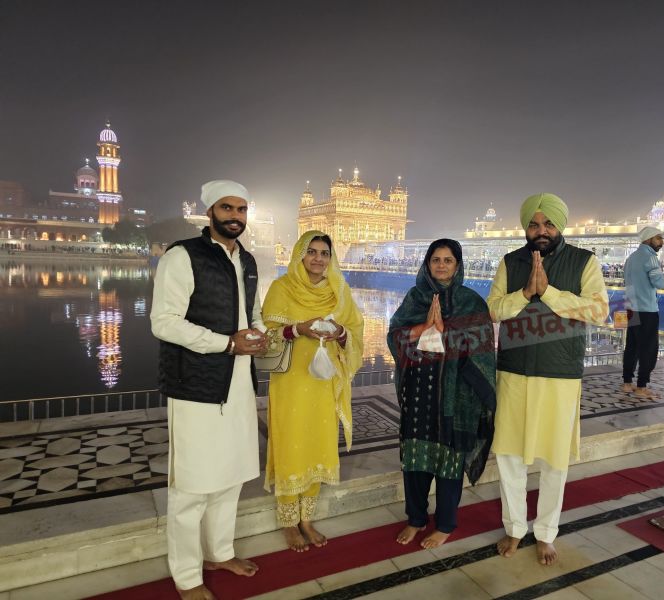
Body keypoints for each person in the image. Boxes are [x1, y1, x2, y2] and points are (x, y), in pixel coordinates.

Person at [151, 180, 265, 600]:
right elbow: (163, 321)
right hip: (195, 386)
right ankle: (186, 576)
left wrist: (259, 334)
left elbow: (252, 313)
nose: (236, 216)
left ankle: (219, 552)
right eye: (227, 208)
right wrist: (227, 342)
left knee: (230, 476)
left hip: (237, 384)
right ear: (210, 211)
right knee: (192, 487)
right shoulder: (183, 256)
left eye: (242, 209)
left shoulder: (247, 260)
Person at [488, 193, 609, 566]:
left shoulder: (584, 261)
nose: (541, 231)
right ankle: (514, 527)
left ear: (561, 226)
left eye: (548, 224)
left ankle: (545, 533)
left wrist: (550, 293)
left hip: (560, 376)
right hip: (514, 372)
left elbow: (600, 311)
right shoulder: (510, 263)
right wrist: (525, 293)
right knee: (509, 456)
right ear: (526, 227)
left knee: (555, 460)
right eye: (534, 224)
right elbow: (493, 309)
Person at [387, 239, 496, 549]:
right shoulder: (415, 297)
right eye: (436, 259)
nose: (442, 265)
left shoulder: (471, 302)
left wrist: (446, 332)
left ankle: (446, 523)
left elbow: (484, 349)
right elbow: (394, 336)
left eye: (448, 260)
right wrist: (422, 328)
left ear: (457, 265)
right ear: (427, 263)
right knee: (416, 461)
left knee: (449, 463)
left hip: (455, 397)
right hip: (419, 392)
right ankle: (416, 518)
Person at [261, 230, 364, 552]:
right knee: (291, 444)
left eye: (325, 253)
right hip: (292, 380)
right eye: (313, 252)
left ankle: (307, 518)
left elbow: (356, 331)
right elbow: (268, 335)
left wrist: (342, 334)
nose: (319, 259)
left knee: (317, 443)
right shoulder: (282, 288)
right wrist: (297, 329)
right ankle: (289, 522)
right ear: (300, 255)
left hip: (324, 380)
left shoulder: (339, 291)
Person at [622, 226, 664, 399]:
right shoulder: (651, 258)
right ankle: (641, 386)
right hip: (647, 309)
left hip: (630, 308)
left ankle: (627, 383)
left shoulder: (631, 258)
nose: (662, 242)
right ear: (648, 239)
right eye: (658, 238)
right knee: (648, 348)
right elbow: (660, 283)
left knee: (631, 346)